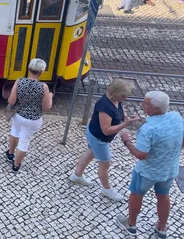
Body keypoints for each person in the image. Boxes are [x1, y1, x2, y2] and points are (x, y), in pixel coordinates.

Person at [116, 91, 184, 238]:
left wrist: (127, 141)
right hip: (169, 170)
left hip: (147, 172)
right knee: (164, 196)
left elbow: (141, 155)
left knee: (137, 195)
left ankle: (131, 224)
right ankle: (161, 228)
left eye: (145, 103)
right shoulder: (177, 118)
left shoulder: (148, 129)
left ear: (155, 109)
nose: (142, 104)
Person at [69, 79, 139, 201]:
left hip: (93, 133)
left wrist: (125, 118)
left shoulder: (115, 100)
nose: (125, 98)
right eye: (123, 95)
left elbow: (119, 111)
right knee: (105, 164)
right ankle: (107, 189)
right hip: (100, 139)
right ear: (115, 92)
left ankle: (77, 175)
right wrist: (124, 124)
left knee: (90, 152)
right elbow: (106, 130)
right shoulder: (105, 106)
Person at [5, 58, 53, 173]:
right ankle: (16, 165)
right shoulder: (44, 87)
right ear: (41, 72)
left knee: (15, 132)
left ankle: (10, 154)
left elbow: (11, 101)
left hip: (19, 116)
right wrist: (50, 96)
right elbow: (46, 107)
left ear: (29, 69)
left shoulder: (19, 81)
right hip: (34, 120)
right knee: (24, 140)